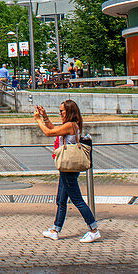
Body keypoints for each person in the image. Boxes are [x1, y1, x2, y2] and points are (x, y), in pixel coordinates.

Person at [34, 100, 100, 243]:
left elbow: (49, 132)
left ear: (69, 112)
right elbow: (53, 127)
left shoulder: (71, 125)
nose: (60, 113)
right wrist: (45, 117)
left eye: (62, 111)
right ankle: (55, 230)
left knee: (77, 200)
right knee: (61, 200)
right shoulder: (70, 125)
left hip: (69, 168)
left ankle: (93, 229)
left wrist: (38, 120)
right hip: (66, 167)